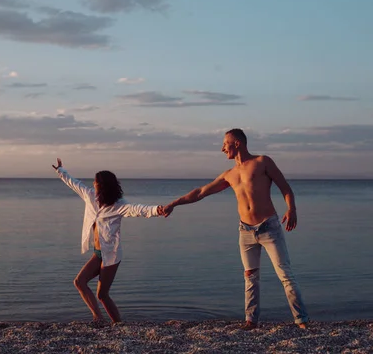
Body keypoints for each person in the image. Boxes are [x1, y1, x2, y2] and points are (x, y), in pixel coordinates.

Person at [162, 128, 309, 330]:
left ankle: (301, 320)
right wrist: (174, 203)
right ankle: (251, 321)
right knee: (250, 276)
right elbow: (200, 192)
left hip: (269, 227)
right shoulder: (229, 175)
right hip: (245, 231)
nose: (222, 148)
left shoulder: (262, 162)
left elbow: (285, 188)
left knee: (285, 275)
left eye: (225, 144)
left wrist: (291, 209)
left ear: (237, 143)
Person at [52, 158, 167, 324]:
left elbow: (139, 209)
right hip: (98, 254)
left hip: (111, 255)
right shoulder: (90, 197)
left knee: (102, 295)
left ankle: (118, 325)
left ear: (102, 185)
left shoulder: (119, 205)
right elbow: (74, 183)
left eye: (95, 181)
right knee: (79, 282)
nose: (93, 183)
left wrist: (158, 210)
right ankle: (98, 318)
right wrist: (61, 171)